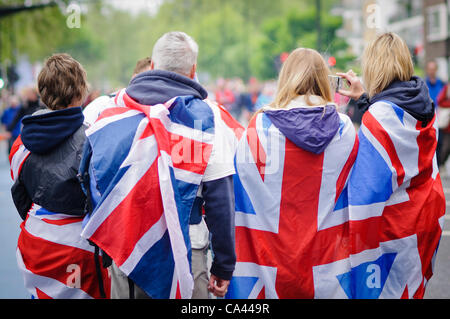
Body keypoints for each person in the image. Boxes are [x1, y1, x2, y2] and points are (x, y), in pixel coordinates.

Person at [79, 31, 237, 299]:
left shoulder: (110, 110)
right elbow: (221, 198)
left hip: (125, 249)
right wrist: (223, 265)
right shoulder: (208, 118)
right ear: (193, 70)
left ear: (152, 66)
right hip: (187, 254)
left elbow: (88, 178)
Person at [226, 48, 359, 298]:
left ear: (285, 78)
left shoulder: (258, 127)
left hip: (270, 265)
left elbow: (240, 192)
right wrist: (364, 98)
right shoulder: (344, 130)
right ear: (323, 79)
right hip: (328, 267)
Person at [337, 32, 445, 298]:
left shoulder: (379, 117)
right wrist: (365, 99)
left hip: (392, 234)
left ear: (374, 66)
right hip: (422, 221)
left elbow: (366, 193)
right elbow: (392, 124)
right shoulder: (423, 104)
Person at [9, 53, 110, 299]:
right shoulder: (96, 140)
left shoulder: (20, 145)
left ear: (43, 93)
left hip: (37, 243)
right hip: (82, 250)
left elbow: (21, 196)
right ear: (80, 93)